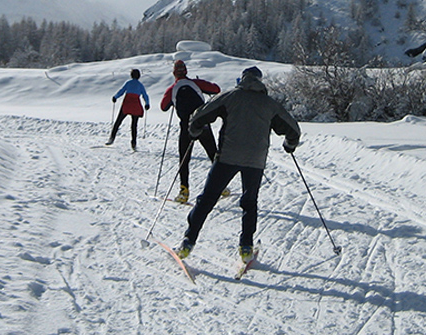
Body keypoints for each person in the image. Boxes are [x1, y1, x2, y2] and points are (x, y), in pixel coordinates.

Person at [175, 66, 301, 263]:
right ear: (260, 81)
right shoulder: (269, 104)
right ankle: (245, 247)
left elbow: (200, 114)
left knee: (207, 199)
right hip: (255, 160)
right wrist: (289, 145)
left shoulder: (230, 97)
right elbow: (293, 129)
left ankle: (188, 242)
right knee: (249, 203)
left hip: (227, 157)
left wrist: (194, 132)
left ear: (242, 79)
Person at [160, 60, 222, 203]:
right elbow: (216, 89)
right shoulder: (196, 83)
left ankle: (184, 191)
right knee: (213, 155)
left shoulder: (173, 89)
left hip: (185, 126)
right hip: (202, 123)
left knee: (184, 159)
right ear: (186, 71)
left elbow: (163, 107)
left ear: (174, 73)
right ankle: (220, 187)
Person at [106, 69, 150, 150]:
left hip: (127, 104)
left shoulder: (128, 83)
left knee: (118, 121)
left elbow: (122, 91)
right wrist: (147, 104)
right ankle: (134, 143)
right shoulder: (140, 85)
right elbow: (145, 95)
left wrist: (115, 97)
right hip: (136, 105)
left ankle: (111, 139)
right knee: (134, 125)